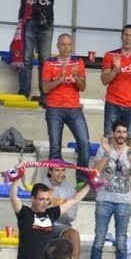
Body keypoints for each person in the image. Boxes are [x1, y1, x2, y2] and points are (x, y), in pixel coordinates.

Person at [89, 124, 131, 259]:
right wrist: (106, 154)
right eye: (118, 131)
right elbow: (95, 173)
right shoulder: (104, 148)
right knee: (99, 240)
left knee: (121, 241)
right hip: (104, 199)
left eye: (124, 132)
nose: (121, 134)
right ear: (113, 133)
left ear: (127, 134)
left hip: (123, 202)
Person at [16, 0, 66, 101]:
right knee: (26, 59)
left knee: (45, 61)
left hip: (46, 23)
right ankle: (24, 92)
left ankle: (44, 94)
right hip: (28, 21)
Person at [42, 34, 89, 182]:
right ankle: (54, 182)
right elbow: (45, 88)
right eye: (63, 44)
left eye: (69, 44)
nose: (66, 47)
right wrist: (59, 80)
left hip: (74, 108)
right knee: (55, 148)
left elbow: (83, 87)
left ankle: (81, 181)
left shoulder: (78, 62)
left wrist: (76, 78)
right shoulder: (49, 63)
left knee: (84, 144)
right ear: (57, 46)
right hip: (54, 109)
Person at [41, 164, 83, 259]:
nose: (61, 174)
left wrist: (59, 209)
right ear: (50, 171)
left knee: (74, 234)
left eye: (63, 170)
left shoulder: (70, 189)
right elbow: (38, 211)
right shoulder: (41, 186)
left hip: (62, 225)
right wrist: (57, 207)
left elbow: (72, 216)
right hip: (44, 224)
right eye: (57, 170)